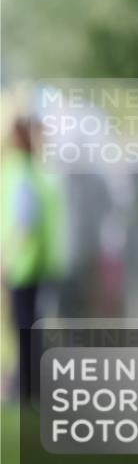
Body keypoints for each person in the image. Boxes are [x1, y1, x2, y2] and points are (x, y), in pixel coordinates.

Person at [1, 115, 67, 402]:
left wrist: (7, 258)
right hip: (34, 262)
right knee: (28, 326)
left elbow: (23, 220)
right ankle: (27, 386)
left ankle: (27, 389)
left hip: (23, 264)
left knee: (25, 327)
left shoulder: (20, 172)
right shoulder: (31, 172)